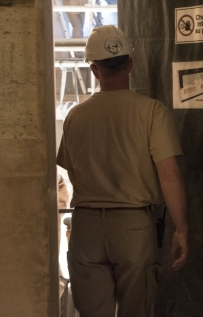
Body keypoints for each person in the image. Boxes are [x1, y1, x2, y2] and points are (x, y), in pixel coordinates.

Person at [56, 25, 189, 317]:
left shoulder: (75, 116)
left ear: (94, 70)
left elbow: (73, 175)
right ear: (130, 63)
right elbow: (169, 175)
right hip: (133, 229)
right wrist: (181, 228)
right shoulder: (152, 112)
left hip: (86, 228)